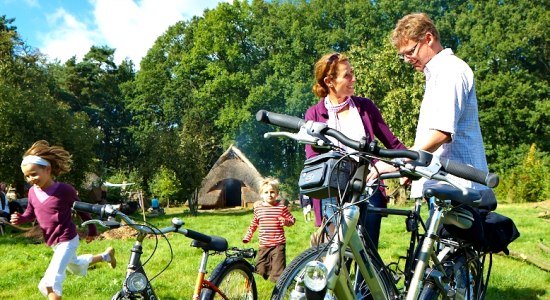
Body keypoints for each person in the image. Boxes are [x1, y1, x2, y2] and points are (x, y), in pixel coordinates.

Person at [391, 13, 497, 210]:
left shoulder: (450, 71)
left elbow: (442, 133)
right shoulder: (437, 74)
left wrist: (403, 161)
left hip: (460, 187)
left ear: (428, 39)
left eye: (410, 51)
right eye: (403, 55)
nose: (407, 60)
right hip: (446, 185)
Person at [305, 52, 407, 249]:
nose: (354, 78)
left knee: (368, 253)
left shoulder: (365, 107)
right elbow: (313, 159)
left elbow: (393, 145)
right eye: (347, 75)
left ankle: (367, 281)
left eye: (353, 73)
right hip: (332, 191)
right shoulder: (314, 114)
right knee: (334, 255)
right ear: (329, 81)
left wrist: (410, 161)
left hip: (367, 187)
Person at [10, 140, 116, 300]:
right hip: (52, 241)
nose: (30, 179)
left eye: (34, 174)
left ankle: (53, 293)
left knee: (51, 282)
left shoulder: (65, 190)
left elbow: (82, 209)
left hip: (67, 238)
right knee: (76, 266)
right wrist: (21, 218)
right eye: (27, 176)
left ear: (47, 169)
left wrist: (92, 230)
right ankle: (106, 256)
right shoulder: (32, 192)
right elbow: (31, 213)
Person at [242, 177, 295, 282]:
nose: (269, 194)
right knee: (260, 270)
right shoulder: (258, 208)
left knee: (278, 272)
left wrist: (286, 222)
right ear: (261, 194)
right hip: (264, 245)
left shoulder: (281, 208)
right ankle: (266, 274)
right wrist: (248, 236)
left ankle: (280, 287)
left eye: (272, 192)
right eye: (266, 192)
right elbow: (254, 224)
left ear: (277, 193)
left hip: (278, 244)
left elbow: (292, 220)